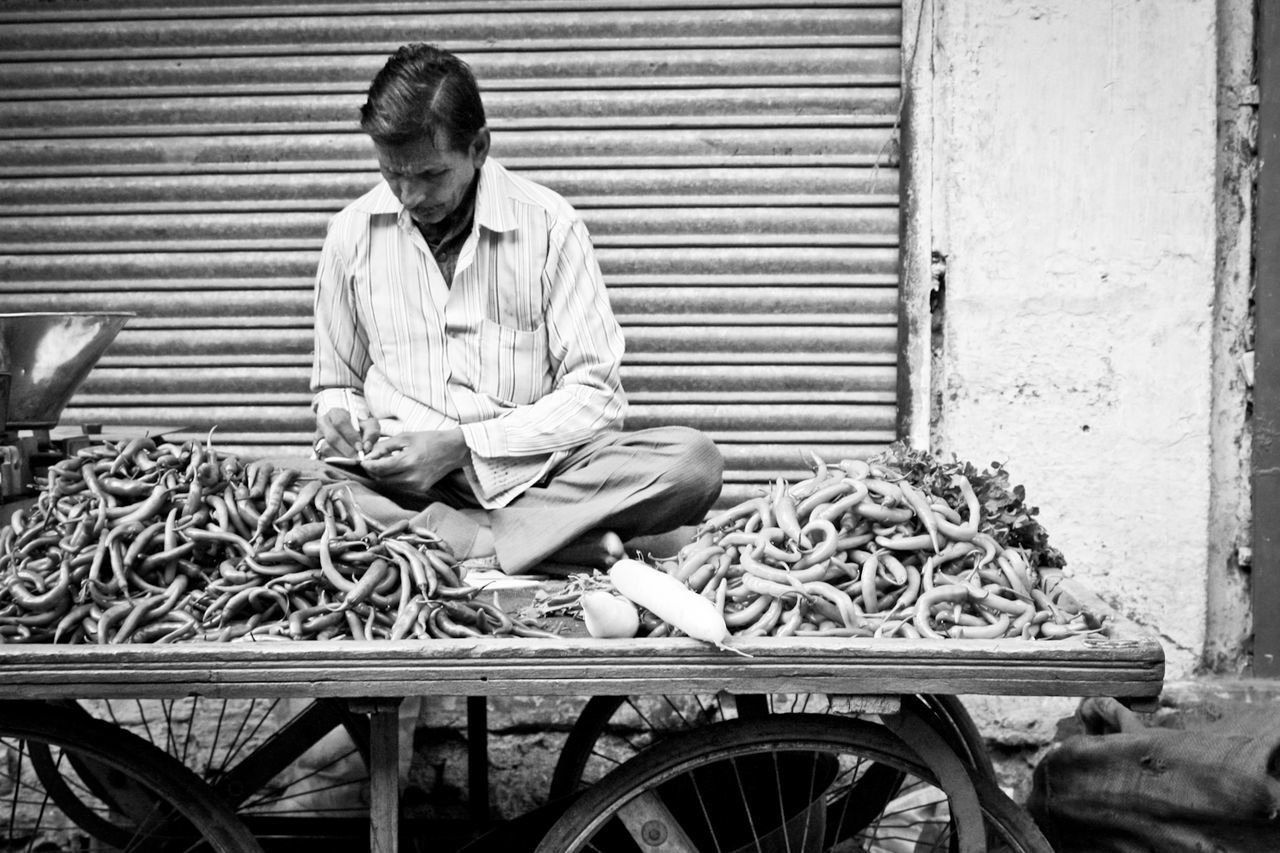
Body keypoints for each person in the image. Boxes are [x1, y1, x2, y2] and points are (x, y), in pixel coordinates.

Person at [308, 42, 724, 575]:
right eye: (393, 174)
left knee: (693, 463)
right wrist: (346, 420)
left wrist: (463, 445)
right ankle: (554, 544)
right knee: (299, 485)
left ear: (479, 147)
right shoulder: (351, 234)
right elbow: (336, 382)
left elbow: (596, 397)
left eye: (431, 174)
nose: (409, 195)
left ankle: (475, 540)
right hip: (407, 484)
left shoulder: (550, 226)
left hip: (539, 478)